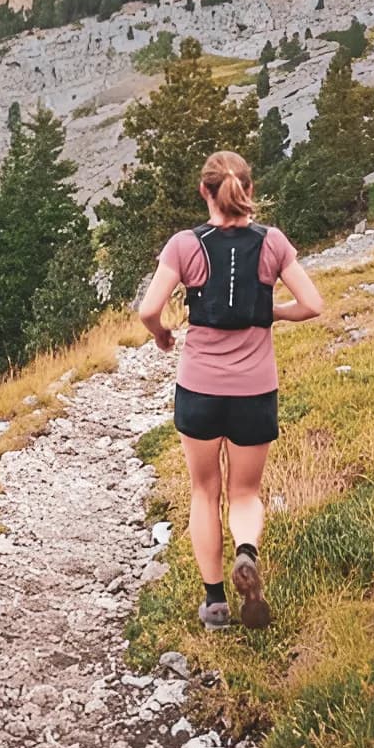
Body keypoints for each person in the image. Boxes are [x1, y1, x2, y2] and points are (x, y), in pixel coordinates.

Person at [136, 151, 322, 629]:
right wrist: (268, 312)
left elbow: (148, 309)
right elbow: (313, 305)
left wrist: (161, 334)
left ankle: (216, 602)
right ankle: (246, 552)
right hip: (255, 392)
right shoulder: (273, 242)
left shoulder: (185, 245)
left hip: (198, 389)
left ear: (205, 191)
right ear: (249, 190)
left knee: (203, 491)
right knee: (244, 492)